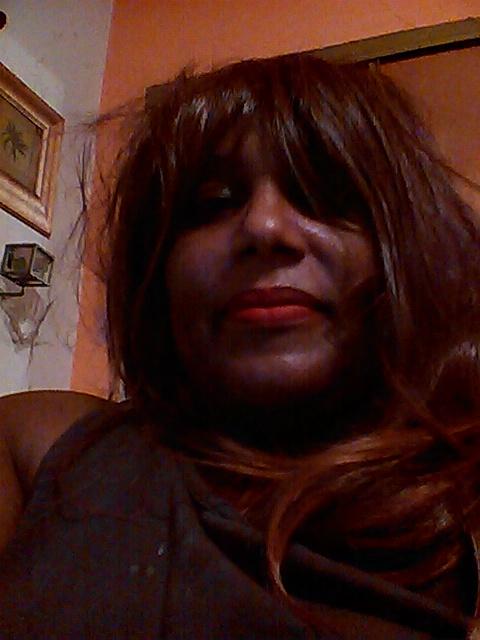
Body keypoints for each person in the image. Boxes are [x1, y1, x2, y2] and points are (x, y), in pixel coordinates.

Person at [1, 52, 480, 639]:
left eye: (323, 196)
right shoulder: (37, 447)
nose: (264, 227)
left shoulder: (463, 511)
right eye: (213, 202)